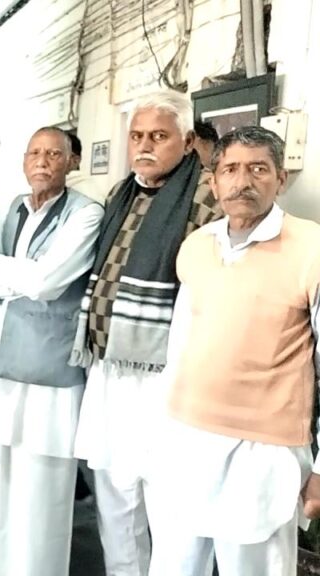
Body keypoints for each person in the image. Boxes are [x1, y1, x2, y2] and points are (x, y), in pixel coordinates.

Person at [148, 126, 320, 575]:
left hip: (263, 452)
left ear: (281, 178)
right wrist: (160, 430)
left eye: (258, 169)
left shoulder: (312, 249)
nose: (243, 181)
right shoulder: (197, 245)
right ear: (214, 181)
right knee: (173, 566)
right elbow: (180, 346)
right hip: (186, 438)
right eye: (230, 170)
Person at [71, 91, 223, 576]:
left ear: (188, 140)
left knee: (167, 495)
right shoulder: (121, 193)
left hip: (169, 373)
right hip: (110, 365)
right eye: (137, 135)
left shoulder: (209, 194)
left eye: (159, 136)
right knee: (114, 490)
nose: (144, 145)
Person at [0, 127, 104, 576]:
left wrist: (3, 270)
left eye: (54, 153)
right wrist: (18, 275)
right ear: (23, 160)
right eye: (35, 153)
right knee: (0, 480)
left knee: (42, 489)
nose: (43, 161)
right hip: (3, 361)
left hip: (51, 371)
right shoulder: (13, 208)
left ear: (72, 162)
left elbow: (46, 283)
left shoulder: (86, 213)